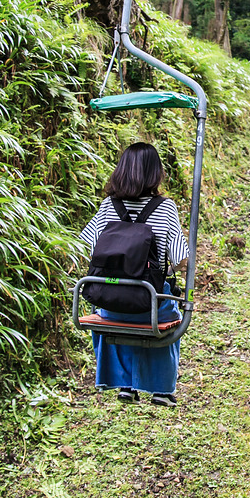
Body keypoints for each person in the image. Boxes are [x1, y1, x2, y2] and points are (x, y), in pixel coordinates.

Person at [80, 142, 189, 407]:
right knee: (168, 314)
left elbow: (88, 246)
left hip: (110, 303)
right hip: (148, 303)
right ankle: (162, 389)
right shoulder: (164, 208)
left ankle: (124, 385)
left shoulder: (108, 206)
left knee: (114, 310)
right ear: (155, 172)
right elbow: (182, 259)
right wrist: (162, 269)